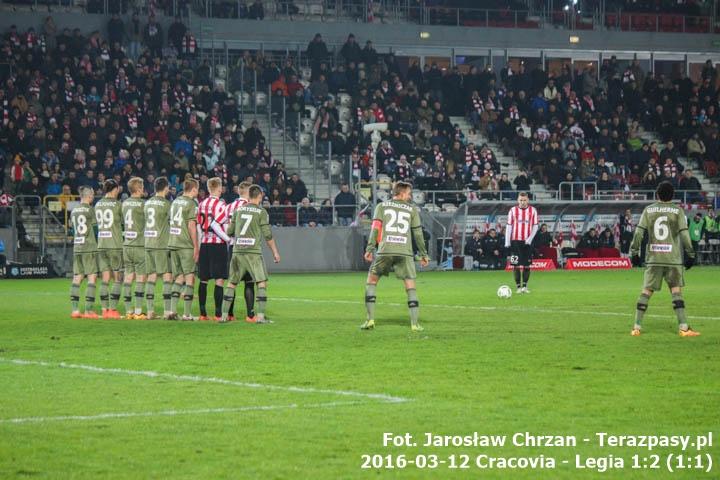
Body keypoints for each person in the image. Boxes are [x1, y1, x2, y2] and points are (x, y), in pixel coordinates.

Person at [629, 182, 698, 337]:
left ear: (657, 195)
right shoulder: (677, 211)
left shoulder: (649, 210)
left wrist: (634, 252)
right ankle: (683, 328)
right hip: (672, 258)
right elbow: (685, 234)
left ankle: (636, 328)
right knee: (676, 291)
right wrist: (691, 254)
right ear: (672, 196)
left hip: (653, 258)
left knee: (646, 291)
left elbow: (639, 233)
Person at [362, 181, 429, 332]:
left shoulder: (381, 206)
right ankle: (414, 324)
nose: (410, 196)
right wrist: (424, 254)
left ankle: (370, 320)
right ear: (401, 192)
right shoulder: (412, 209)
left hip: (385, 250)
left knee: (371, 281)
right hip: (405, 251)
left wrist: (370, 248)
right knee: (410, 286)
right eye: (409, 193)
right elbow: (418, 233)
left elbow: (375, 229)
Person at [220, 185, 281, 323]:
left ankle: (224, 316)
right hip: (253, 253)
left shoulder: (238, 210)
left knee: (231, 283)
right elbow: (267, 235)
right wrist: (275, 252)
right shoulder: (261, 212)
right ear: (259, 196)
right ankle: (260, 317)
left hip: (237, 251)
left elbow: (229, 232)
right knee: (261, 282)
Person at [197, 177, 232, 321]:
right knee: (219, 279)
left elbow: (199, 226)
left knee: (203, 279)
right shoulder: (221, 205)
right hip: (218, 244)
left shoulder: (201, 204)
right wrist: (227, 239)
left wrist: (200, 242)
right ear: (219, 188)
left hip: (205, 243)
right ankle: (218, 314)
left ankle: (203, 314)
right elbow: (217, 225)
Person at [168, 178, 200, 321]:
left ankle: (172, 311)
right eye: (197, 189)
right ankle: (187, 314)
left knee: (178, 277)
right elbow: (191, 226)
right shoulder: (191, 203)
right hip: (185, 244)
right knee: (189, 278)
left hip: (173, 243)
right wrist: (196, 246)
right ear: (193, 189)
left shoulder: (175, 201)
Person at [224, 181, 257, 322]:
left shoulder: (229, 207)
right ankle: (250, 315)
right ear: (249, 192)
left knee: (232, 282)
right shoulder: (253, 207)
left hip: (233, 247)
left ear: (239, 191)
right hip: (248, 248)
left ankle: (229, 314)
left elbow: (227, 229)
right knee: (249, 282)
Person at [144, 177, 173, 319]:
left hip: (148, 242)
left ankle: (150, 311)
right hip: (161, 243)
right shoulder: (167, 204)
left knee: (151, 276)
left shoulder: (147, 203)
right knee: (167, 274)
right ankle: (167, 311)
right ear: (166, 188)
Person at [95, 179, 124, 319]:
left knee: (105, 278)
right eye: (117, 189)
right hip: (115, 245)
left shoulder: (98, 204)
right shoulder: (118, 205)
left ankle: (104, 309)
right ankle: (112, 309)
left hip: (101, 244)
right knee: (118, 278)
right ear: (114, 189)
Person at [69, 186, 99, 319]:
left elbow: (72, 229)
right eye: (92, 195)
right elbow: (96, 228)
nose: (93, 197)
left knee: (77, 277)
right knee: (92, 277)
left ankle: (75, 310)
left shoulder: (74, 210)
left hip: (77, 246)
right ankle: (88, 311)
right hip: (89, 246)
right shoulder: (90, 210)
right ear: (88, 196)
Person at [121, 177, 147, 320]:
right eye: (142, 187)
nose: (143, 189)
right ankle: (138, 311)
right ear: (138, 189)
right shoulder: (143, 205)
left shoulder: (124, 204)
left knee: (128, 276)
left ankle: (128, 311)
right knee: (140, 278)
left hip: (127, 244)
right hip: (139, 245)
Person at [504, 192, 538, 294]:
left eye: (524, 200)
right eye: (521, 200)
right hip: (515, 242)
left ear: (528, 200)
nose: (522, 202)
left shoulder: (533, 210)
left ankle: (525, 287)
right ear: (518, 200)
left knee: (527, 265)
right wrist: (507, 242)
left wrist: (529, 239)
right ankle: (518, 287)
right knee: (516, 265)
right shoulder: (513, 210)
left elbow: (535, 226)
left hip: (527, 243)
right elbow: (509, 226)